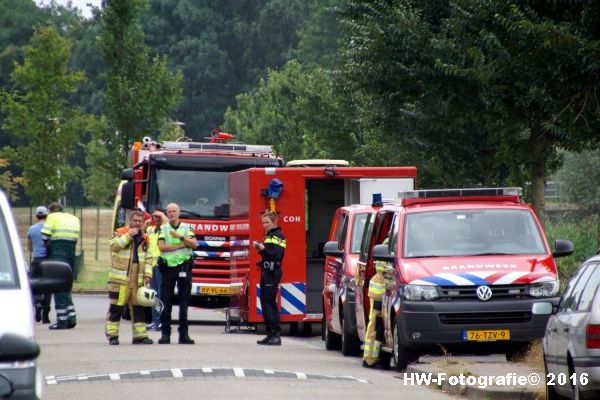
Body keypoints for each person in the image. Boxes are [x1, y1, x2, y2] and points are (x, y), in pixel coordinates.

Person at [105, 210, 154, 345]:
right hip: (121, 281)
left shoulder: (145, 238)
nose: (138, 223)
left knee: (139, 309)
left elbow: (149, 257)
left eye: (140, 221)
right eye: (135, 221)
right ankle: (112, 336)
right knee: (117, 308)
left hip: (137, 282)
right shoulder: (119, 232)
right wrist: (128, 235)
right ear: (130, 221)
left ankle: (140, 336)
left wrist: (148, 275)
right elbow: (114, 247)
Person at [157, 203, 197, 345]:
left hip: (184, 268)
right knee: (166, 301)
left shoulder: (187, 228)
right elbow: (161, 247)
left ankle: (184, 335)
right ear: (167, 214)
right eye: (169, 211)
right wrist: (181, 245)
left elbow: (194, 244)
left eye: (174, 211)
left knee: (184, 302)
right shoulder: (163, 228)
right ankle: (165, 334)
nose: (172, 213)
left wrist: (180, 237)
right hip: (168, 269)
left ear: (179, 213)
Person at [41, 202, 80, 330]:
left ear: (51, 212)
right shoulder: (74, 218)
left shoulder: (52, 217)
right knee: (66, 286)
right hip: (71, 254)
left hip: (58, 253)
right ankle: (71, 318)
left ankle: (62, 321)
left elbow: (45, 235)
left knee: (58, 287)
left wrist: (46, 244)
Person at [253, 211, 286, 346]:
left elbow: (276, 255)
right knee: (265, 303)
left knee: (270, 303)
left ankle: (276, 335)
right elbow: (268, 254)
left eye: (267, 222)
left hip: (273, 273)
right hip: (266, 272)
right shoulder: (269, 235)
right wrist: (260, 250)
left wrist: (262, 249)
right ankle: (269, 334)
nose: (265, 225)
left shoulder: (278, 235)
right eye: (263, 223)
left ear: (274, 222)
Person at [362, 234, 389, 368]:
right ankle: (369, 359)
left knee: (378, 325)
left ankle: (374, 357)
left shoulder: (388, 242)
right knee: (375, 325)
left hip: (382, 286)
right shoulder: (388, 243)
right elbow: (383, 267)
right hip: (380, 287)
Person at [145, 209, 167, 331]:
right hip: (152, 265)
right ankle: (155, 321)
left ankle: (161, 320)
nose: (156, 219)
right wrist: (145, 224)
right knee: (153, 294)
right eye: (155, 217)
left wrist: (163, 216)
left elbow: (171, 227)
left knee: (161, 294)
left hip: (161, 266)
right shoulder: (150, 230)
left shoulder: (166, 229)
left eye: (159, 217)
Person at [27, 206, 51, 324]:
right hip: (48, 261)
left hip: (36, 260)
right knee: (48, 286)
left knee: (35, 284)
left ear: (37, 216)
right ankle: (46, 313)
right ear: (47, 215)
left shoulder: (31, 229)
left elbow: (29, 247)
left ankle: (37, 304)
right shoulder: (49, 228)